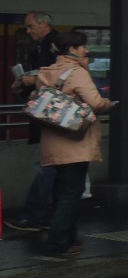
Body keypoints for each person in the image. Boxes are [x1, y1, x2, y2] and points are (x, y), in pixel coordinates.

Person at [35, 29, 115, 259]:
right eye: (83, 47)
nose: (86, 50)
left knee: (63, 192)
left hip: (53, 141)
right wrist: (109, 103)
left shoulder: (46, 72)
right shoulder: (77, 73)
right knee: (72, 193)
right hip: (74, 142)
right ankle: (57, 243)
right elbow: (95, 102)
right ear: (72, 50)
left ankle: (70, 239)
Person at [4, 11, 63, 233]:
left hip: (51, 119)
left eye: (30, 27)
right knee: (52, 171)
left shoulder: (55, 46)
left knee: (46, 169)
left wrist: (33, 80)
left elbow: (57, 77)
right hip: (45, 118)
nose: (28, 32)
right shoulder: (40, 48)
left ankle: (34, 215)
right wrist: (25, 84)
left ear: (44, 24)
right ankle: (54, 216)